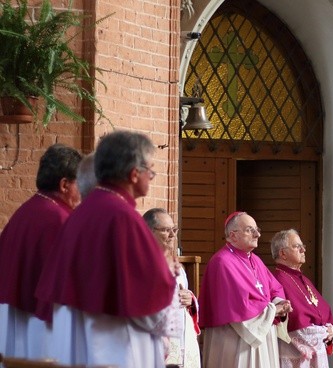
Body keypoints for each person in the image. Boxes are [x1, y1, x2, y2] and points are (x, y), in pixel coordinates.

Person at [35, 130, 178, 368]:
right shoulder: (123, 217)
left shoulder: (83, 212)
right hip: (115, 342)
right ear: (134, 174)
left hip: (81, 339)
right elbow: (148, 298)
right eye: (150, 169)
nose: (152, 176)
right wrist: (166, 272)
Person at [0, 144, 82, 359]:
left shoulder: (24, 211)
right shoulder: (61, 220)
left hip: (11, 319)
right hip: (44, 325)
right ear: (64, 184)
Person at [198, 211, 293, 368]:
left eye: (257, 230)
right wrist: (273, 310)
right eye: (250, 230)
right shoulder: (222, 262)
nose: (257, 235)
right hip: (236, 340)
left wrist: (281, 303)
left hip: (261, 336)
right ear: (233, 235)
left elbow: (274, 287)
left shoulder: (255, 260)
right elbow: (238, 306)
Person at [143, 208, 201, 368]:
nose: (172, 235)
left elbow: (182, 297)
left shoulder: (177, 266)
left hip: (182, 339)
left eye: (174, 230)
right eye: (166, 230)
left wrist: (190, 300)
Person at [271, 229, 333, 368]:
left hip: (316, 356)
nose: (303, 250)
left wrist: (330, 331)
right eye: (297, 246)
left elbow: (323, 313)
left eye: (303, 246)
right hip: (296, 358)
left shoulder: (303, 279)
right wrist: (324, 333)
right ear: (283, 253)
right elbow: (291, 326)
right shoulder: (277, 281)